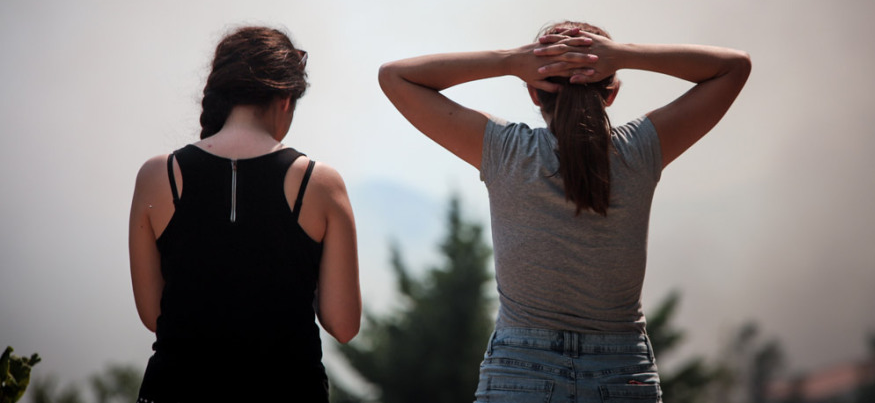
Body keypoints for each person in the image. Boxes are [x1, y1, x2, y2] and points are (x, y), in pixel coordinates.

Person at [378, 21, 750, 403]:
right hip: (622, 371)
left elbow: (396, 77)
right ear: (611, 93)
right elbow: (734, 67)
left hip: (520, 370)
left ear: (533, 93)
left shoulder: (506, 151)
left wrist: (511, 60)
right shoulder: (638, 150)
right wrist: (624, 54)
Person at [129, 26, 361, 403]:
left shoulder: (158, 176)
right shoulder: (319, 183)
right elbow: (344, 324)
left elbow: (155, 314)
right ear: (285, 98)